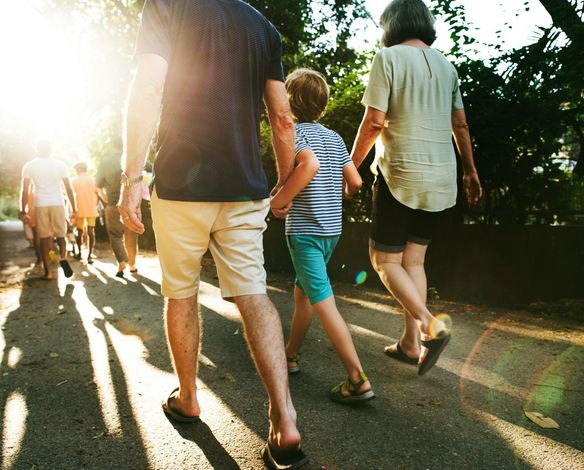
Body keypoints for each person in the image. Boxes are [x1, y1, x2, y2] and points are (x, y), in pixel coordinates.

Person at [118, 2, 306, 468]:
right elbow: (283, 115)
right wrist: (283, 183)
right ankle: (285, 420)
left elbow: (148, 86)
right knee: (253, 293)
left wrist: (130, 179)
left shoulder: (166, 6)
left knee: (180, 293)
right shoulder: (261, 25)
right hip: (245, 187)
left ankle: (188, 399)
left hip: (181, 185)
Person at [350, 0, 482, 376]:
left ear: (391, 25)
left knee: (384, 261)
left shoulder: (387, 57)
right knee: (414, 261)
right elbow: (461, 126)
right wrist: (470, 172)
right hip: (441, 177)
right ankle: (410, 345)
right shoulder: (446, 65)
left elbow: (374, 121)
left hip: (401, 174)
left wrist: (350, 165)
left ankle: (429, 325)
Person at [270, 69, 373, 405]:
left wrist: (280, 200)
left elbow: (308, 167)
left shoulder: (293, 134)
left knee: (323, 301)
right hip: (331, 232)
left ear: (290, 99)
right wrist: (334, 195)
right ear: (323, 104)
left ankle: (356, 379)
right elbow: (355, 183)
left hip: (305, 233)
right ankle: (291, 354)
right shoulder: (335, 138)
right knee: (304, 295)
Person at [19, 140, 76, 280]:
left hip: (40, 204)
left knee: (44, 238)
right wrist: (74, 209)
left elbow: (25, 191)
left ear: (36, 149)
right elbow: (69, 189)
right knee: (61, 236)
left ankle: (48, 272)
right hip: (57, 202)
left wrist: (23, 210)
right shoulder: (60, 165)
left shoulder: (29, 166)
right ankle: (62, 258)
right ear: (51, 149)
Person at [96, 140, 139, 277]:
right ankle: (132, 265)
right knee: (131, 233)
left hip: (113, 204)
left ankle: (121, 262)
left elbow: (98, 186)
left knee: (115, 235)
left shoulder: (106, 162)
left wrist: (105, 199)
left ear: (112, 147)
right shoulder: (133, 159)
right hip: (132, 203)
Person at [71, 162, 99, 263]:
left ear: (78, 170)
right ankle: (90, 255)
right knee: (91, 231)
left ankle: (80, 253)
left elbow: (70, 195)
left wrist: (72, 210)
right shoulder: (93, 180)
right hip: (91, 208)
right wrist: (96, 205)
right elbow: (98, 193)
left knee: (79, 231)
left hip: (79, 209)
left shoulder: (75, 180)